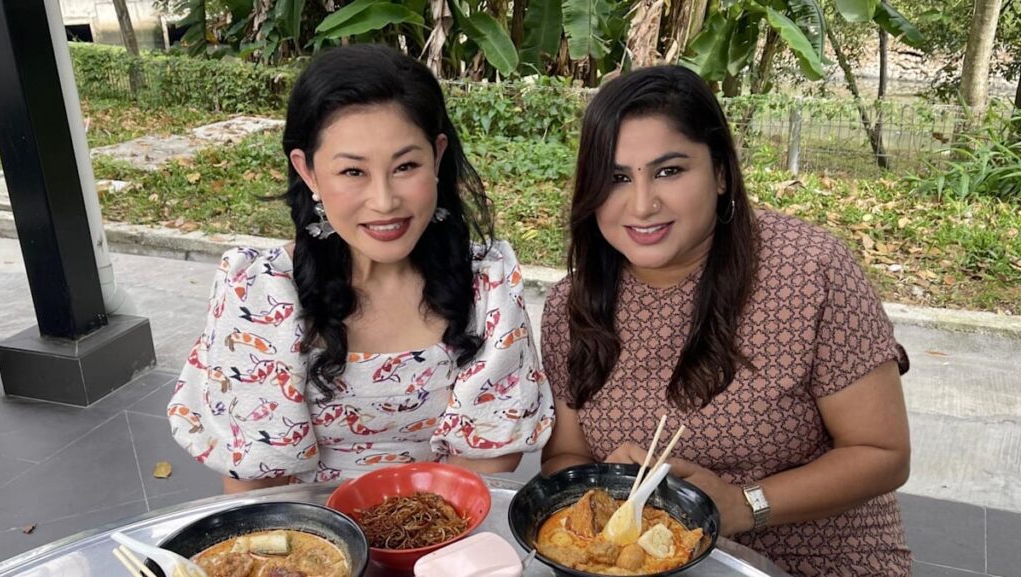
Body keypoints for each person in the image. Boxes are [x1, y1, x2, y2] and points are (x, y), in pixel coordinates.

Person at [539, 65, 911, 576]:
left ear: (720, 173)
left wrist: (742, 504)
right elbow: (564, 459)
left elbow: (882, 452)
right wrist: (604, 481)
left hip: (817, 557)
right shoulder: (572, 305)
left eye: (670, 171)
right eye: (617, 177)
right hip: (642, 562)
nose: (643, 204)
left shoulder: (809, 272)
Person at [169, 44, 554, 494]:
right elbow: (257, 483)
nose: (385, 201)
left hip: (445, 531)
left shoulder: (486, 286)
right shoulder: (259, 293)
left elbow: (488, 459)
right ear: (309, 172)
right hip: (313, 538)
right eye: (353, 172)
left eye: (406, 166)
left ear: (438, 156)